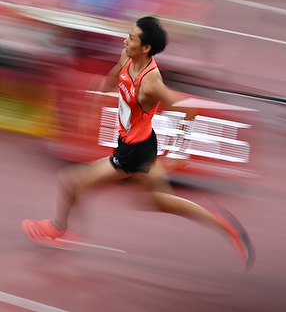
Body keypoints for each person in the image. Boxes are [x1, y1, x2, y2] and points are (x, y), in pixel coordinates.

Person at [22, 16, 255, 271]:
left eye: (132, 38)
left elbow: (189, 109)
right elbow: (113, 79)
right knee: (154, 200)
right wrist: (96, 99)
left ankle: (59, 229)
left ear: (146, 48)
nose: (125, 40)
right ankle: (220, 220)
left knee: (70, 180)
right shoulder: (128, 57)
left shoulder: (151, 83)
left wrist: (179, 149)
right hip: (139, 142)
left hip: (134, 152)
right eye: (128, 34)